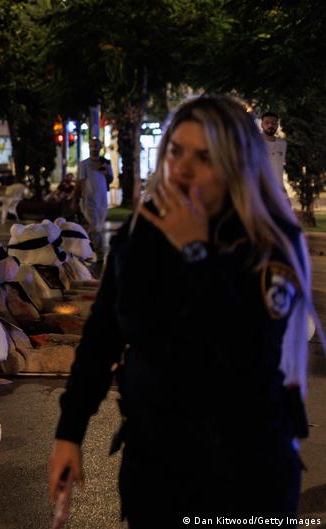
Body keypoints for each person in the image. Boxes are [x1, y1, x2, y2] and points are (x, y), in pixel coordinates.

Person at [48, 96, 317, 528]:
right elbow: (102, 337)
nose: (184, 167)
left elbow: (247, 353)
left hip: (246, 472)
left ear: (235, 164)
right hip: (156, 464)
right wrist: (69, 431)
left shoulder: (268, 239)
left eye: (204, 157)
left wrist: (198, 252)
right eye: (176, 151)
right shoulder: (145, 231)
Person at [75, 138, 113, 253]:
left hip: (102, 201)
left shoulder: (105, 163)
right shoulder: (84, 164)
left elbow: (110, 179)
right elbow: (79, 183)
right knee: (96, 227)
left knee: (97, 228)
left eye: (96, 145)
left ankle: (84, 248)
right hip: (89, 200)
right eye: (91, 145)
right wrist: (75, 200)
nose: (94, 148)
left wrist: (106, 172)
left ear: (100, 147)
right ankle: (99, 252)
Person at [261, 111, 288, 195]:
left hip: (279, 191)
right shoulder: (254, 142)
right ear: (262, 125)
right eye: (267, 123)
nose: (270, 125)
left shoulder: (283, 144)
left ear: (277, 125)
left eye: (273, 123)